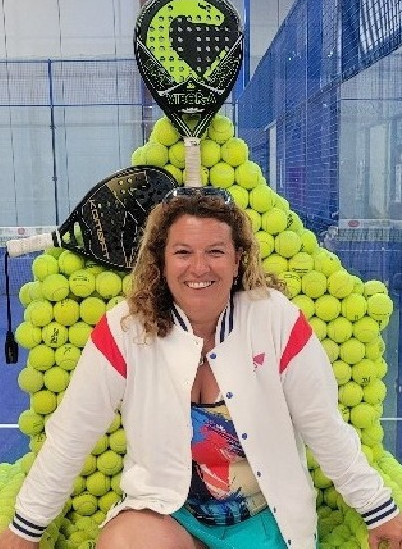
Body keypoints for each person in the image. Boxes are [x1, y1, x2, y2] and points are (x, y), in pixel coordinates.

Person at [1, 187, 402, 549]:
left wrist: (378, 511)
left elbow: (325, 426)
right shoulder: (124, 329)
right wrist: (25, 529)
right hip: (168, 515)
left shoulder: (277, 320)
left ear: (237, 259)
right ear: (161, 260)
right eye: (183, 252)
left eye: (215, 252)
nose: (199, 268)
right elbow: (71, 434)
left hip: (265, 517)